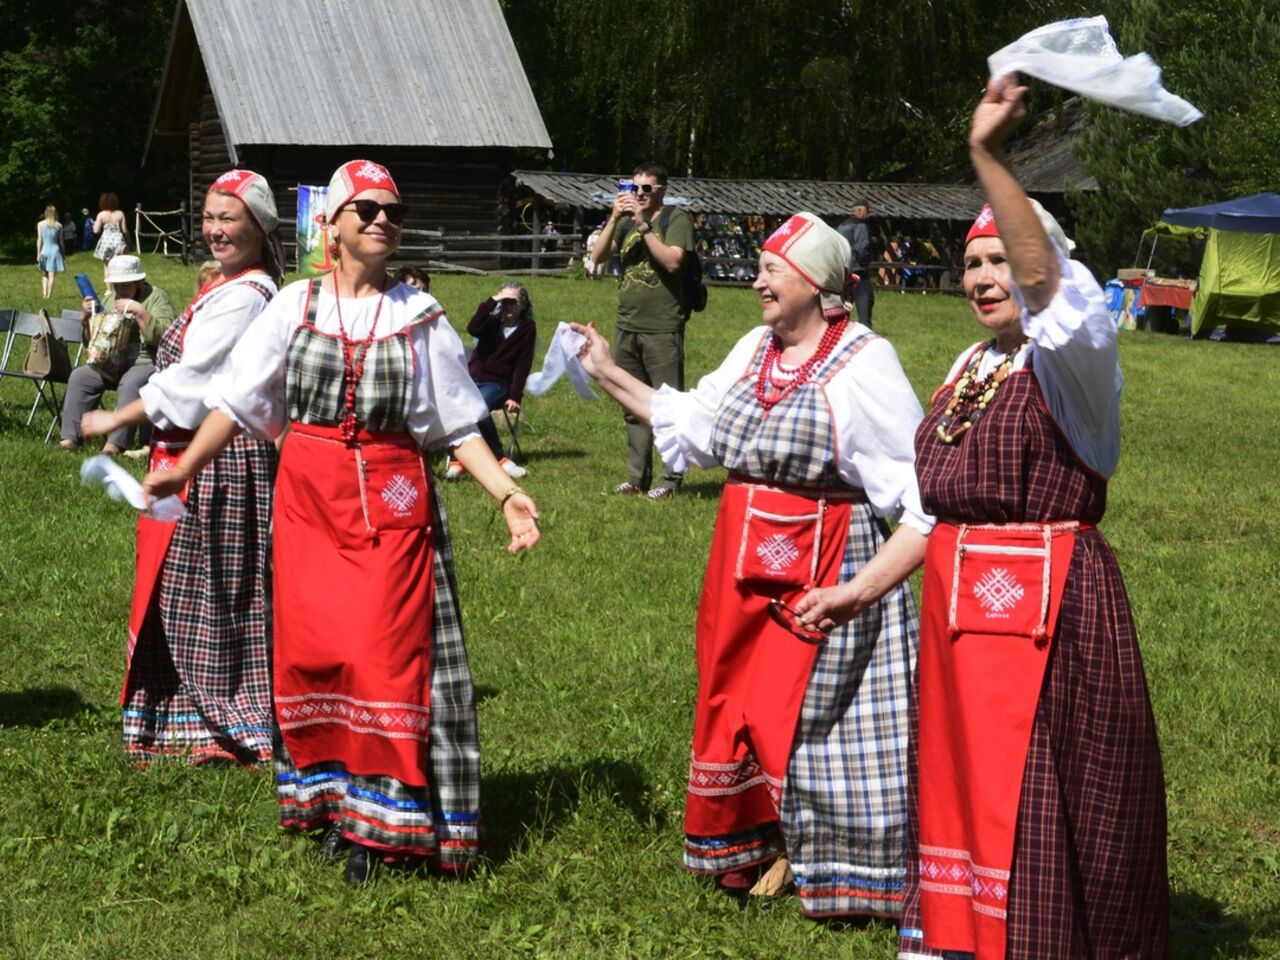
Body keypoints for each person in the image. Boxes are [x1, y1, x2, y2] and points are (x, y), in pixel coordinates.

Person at [802, 75, 1169, 959]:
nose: (984, 276)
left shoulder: (1073, 350)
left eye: (999, 258)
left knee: (1050, 792)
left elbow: (1046, 283)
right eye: (972, 262)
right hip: (963, 625)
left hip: (1051, 622)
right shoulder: (969, 366)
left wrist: (987, 155)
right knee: (965, 784)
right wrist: (858, 590)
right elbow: (933, 513)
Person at [143, 160, 542, 887]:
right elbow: (237, 400)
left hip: (389, 507)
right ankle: (334, 808)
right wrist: (186, 467)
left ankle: (385, 825)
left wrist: (503, 494)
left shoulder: (416, 317)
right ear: (331, 225)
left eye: (391, 210)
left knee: (382, 661)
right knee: (318, 657)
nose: (381, 220)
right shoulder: (295, 305)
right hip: (307, 505)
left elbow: (456, 421)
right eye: (364, 210)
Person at [572, 212, 930, 919]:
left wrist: (859, 591)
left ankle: (836, 863)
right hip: (740, 562)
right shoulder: (753, 350)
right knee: (736, 699)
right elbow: (695, 427)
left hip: (826, 561)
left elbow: (922, 496)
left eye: (773, 267)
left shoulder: (864, 361)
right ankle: (752, 839)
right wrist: (607, 370)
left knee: (816, 715)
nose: (759, 278)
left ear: (817, 283)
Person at [81, 169, 284, 768]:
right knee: (188, 589)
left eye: (230, 218)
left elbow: (194, 386)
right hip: (195, 454)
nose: (216, 229)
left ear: (259, 226)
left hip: (220, 460)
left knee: (213, 591)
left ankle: (229, 721)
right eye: (210, 217)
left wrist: (114, 419)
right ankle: (183, 721)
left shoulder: (247, 296)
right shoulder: (225, 285)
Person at [588, 160, 693, 501]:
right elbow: (599, 258)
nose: (639, 194)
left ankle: (670, 480)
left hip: (662, 326)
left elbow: (674, 261)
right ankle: (637, 478)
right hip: (627, 324)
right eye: (634, 188)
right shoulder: (625, 222)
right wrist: (615, 218)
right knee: (633, 406)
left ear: (663, 190)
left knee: (666, 406)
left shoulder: (675, 219)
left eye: (646, 189)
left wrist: (645, 226)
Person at [59, 254, 177, 454]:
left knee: (131, 382)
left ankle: (115, 444)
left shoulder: (156, 298)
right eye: (117, 285)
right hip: (109, 361)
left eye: (126, 285)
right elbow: (94, 342)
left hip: (145, 360)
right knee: (80, 376)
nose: (121, 290)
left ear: (138, 281)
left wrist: (140, 312)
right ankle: (70, 439)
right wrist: (86, 320)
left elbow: (167, 337)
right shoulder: (109, 299)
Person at [446, 282, 536, 480]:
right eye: (505, 302)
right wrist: (492, 301)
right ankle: (459, 460)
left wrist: (515, 396)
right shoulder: (492, 322)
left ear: (524, 305)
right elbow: (472, 328)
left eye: (513, 302)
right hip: (471, 379)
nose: (509, 307)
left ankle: (497, 459)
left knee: (477, 406)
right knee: (460, 406)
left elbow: (523, 364)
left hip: (497, 384)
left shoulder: (527, 329)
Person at [836, 200, 874, 327]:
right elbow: (862, 248)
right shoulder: (860, 226)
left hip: (843, 273)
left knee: (842, 311)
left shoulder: (841, 226)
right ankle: (866, 337)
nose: (869, 214)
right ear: (859, 211)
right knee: (864, 309)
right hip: (859, 274)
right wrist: (865, 263)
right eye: (868, 210)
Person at [92, 192, 129, 270]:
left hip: (106, 241)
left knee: (107, 266)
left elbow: (96, 231)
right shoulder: (120, 213)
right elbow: (125, 230)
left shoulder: (101, 214)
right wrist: (128, 241)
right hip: (118, 241)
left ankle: (108, 282)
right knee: (119, 265)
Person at [36, 205, 65, 299]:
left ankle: (44, 294)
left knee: (45, 274)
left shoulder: (40, 224)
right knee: (51, 274)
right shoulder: (59, 225)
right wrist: (63, 254)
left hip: (45, 250)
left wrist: (38, 253)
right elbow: (61, 242)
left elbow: (39, 239)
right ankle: (49, 296)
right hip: (55, 251)